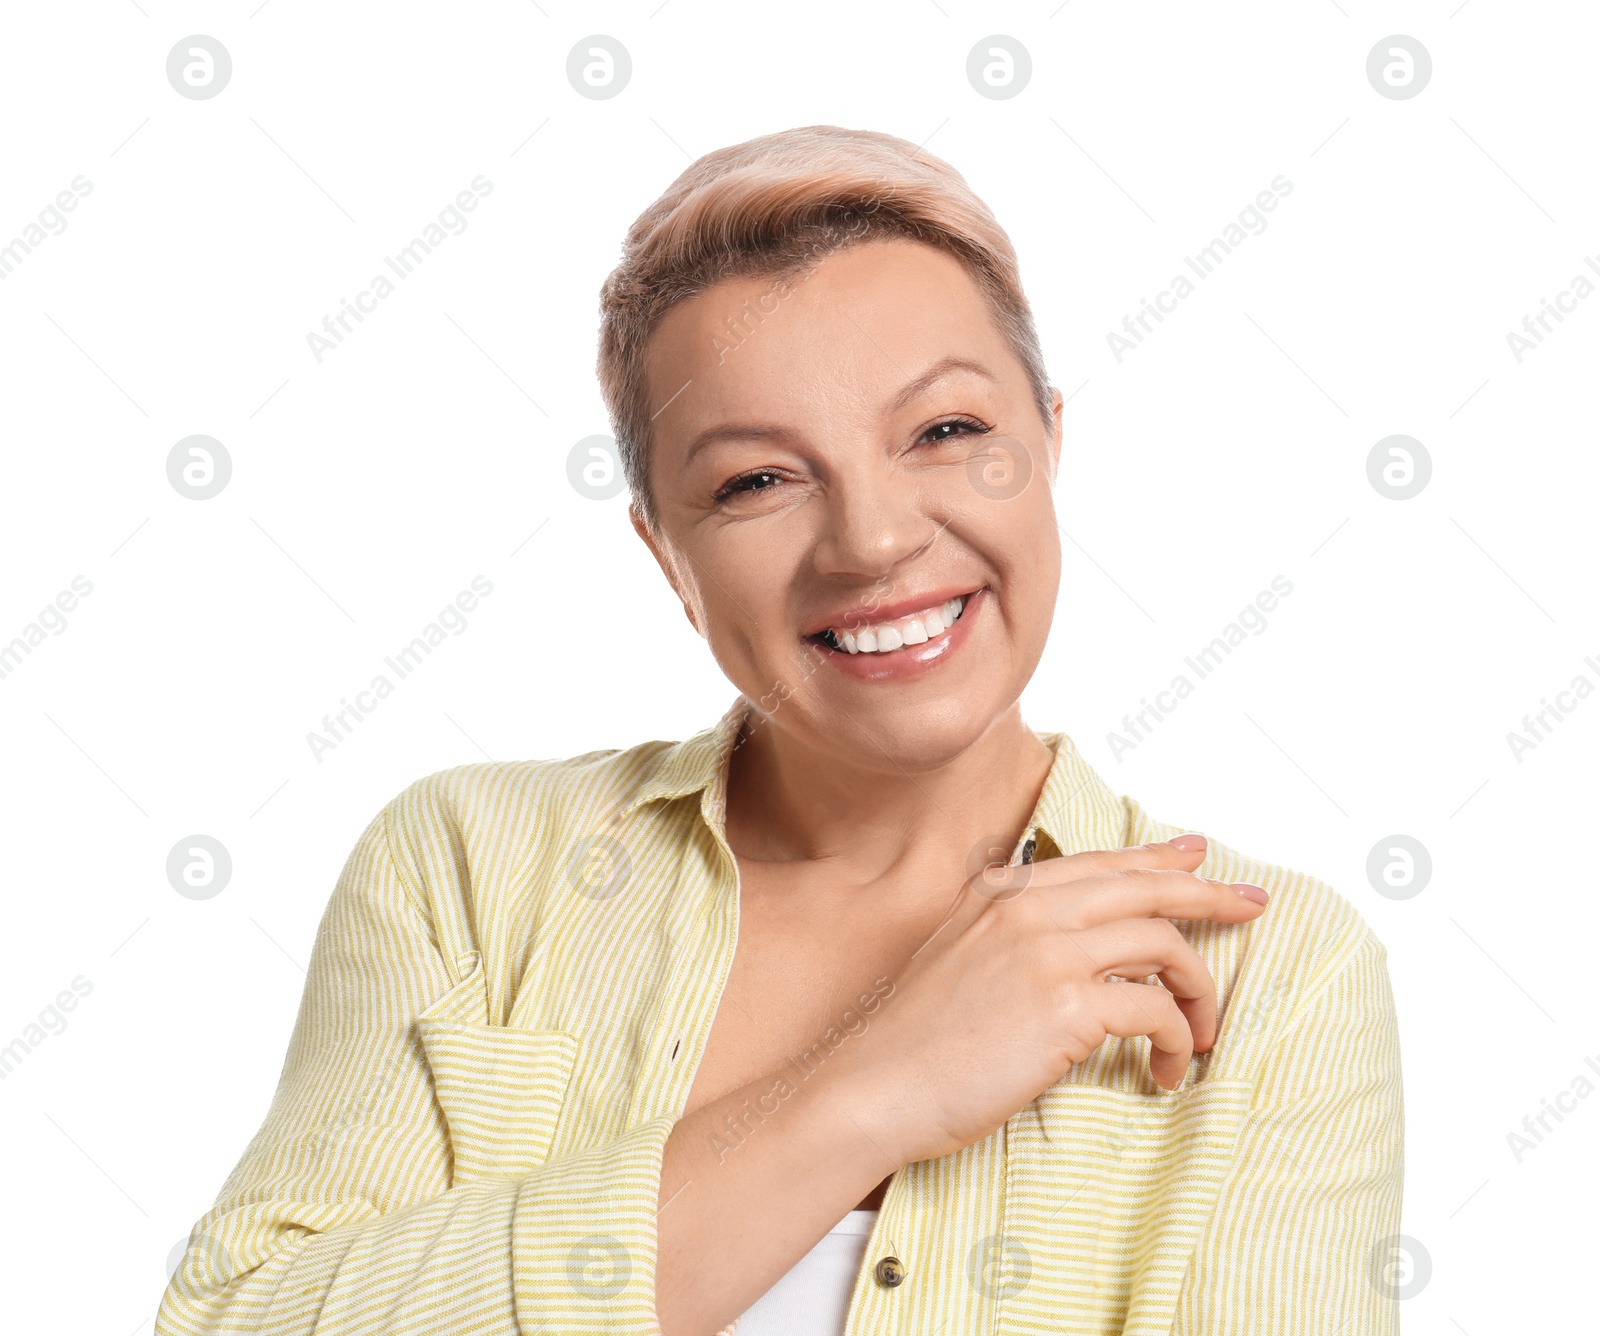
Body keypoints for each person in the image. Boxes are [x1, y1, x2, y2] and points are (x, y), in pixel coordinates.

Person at [156, 125, 1403, 1336]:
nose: (871, 539)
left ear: (1048, 444)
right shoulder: (471, 871)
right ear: (667, 555)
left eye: (947, 432)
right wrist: (867, 1092)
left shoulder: (1263, 969)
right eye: (757, 481)